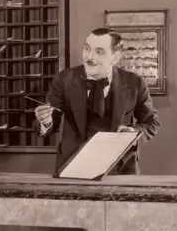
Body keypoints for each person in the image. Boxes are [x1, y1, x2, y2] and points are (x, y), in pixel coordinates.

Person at [34, 27, 160, 175]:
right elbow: (50, 120)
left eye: (99, 52)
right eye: (87, 49)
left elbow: (152, 123)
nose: (89, 57)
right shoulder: (64, 79)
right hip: (73, 167)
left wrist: (132, 132)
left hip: (120, 169)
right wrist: (45, 121)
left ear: (115, 57)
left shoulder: (135, 83)